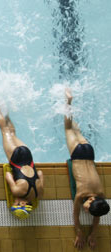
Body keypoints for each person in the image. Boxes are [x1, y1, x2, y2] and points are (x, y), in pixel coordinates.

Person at [64, 88, 109, 250]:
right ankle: (68, 102)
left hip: (89, 152)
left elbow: (98, 214)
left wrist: (93, 233)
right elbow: (75, 215)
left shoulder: (101, 195)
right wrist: (79, 233)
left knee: (75, 130)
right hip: (77, 154)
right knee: (68, 128)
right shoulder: (81, 194)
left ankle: (73, 108)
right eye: (88, 209)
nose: (87, 212)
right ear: (90, 200)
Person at [0, 101, 44, 219]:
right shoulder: (17, 192)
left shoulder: (39, 194)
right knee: (5, 130)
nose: (14, 202)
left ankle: (5, 109)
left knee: (12, 133)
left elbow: (40, 173)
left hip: (27, 156)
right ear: (23, 204)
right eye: (15, 204)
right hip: (16, 159)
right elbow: (8, 175)